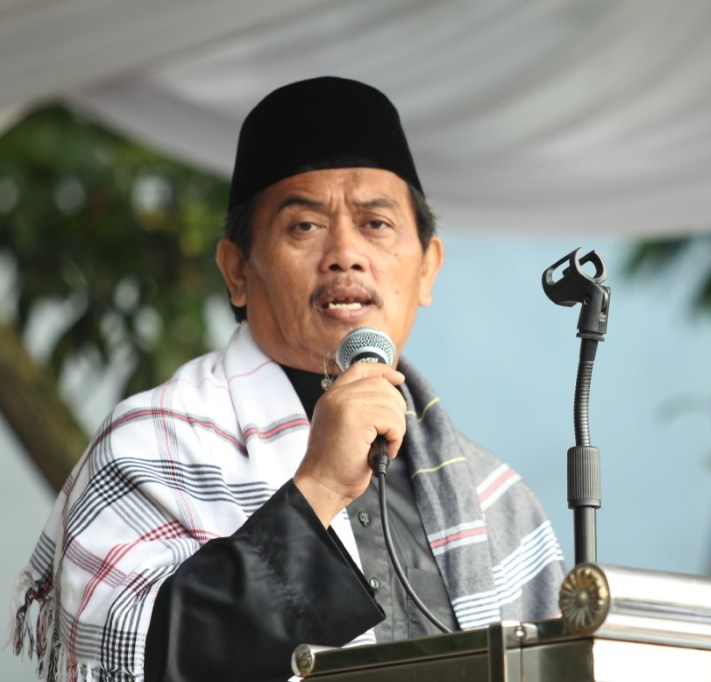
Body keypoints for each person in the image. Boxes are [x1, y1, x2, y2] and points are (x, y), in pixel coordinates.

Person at [12, 76, 564, 682]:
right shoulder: (151, 446)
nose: (345, 253)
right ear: (237, 271)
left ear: (428, 268)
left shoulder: (496, 499)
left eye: (377, 224)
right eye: (304, 225)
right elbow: (130, 660)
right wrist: (319, 487)